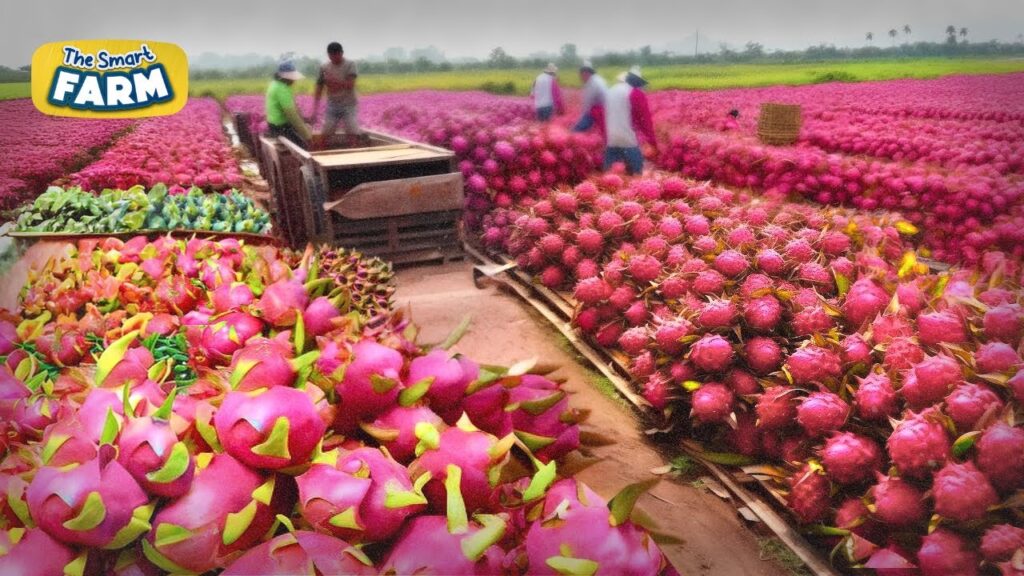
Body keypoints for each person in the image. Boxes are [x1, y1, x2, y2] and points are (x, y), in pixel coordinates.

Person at [603, 65, 657, 175]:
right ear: (636, 82)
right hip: (628, 139)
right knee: (637, 172)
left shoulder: (611, 91)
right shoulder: (635, 93)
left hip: (611, 136)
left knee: (609, 175)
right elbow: (644, 120)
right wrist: (652, 141)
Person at [311, 41, 365, 147]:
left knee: (352, 131)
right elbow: (319, 89)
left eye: (337, 55)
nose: (334, 58)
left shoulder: (350, 64)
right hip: (332, 104)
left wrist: (333, 81)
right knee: (326, 131)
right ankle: (322, 153)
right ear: (328, 55)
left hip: (349, 104)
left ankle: (354, 153)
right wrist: (315, 110)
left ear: (342, 53)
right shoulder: (324, 67)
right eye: (331, 56)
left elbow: (350, 85)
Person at [265, 59, 312, 146]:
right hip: (279, 127)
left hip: (276, 124)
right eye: (292, 78)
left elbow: (294, 107)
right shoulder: (281, 89)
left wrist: (304, 123)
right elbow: (292, 115)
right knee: (302, 146)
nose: (294, 81)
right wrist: (307, 136)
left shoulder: (276, 84)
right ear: (285, 78)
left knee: (301, 134)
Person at [572, 60, 607, 139]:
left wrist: (580, 121)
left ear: (586, 73)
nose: (580, 77)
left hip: (600, 110)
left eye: (581, 74)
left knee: (576, 130)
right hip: (605, 110)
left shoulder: (592, 83)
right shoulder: (597, 79)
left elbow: (587, 104)